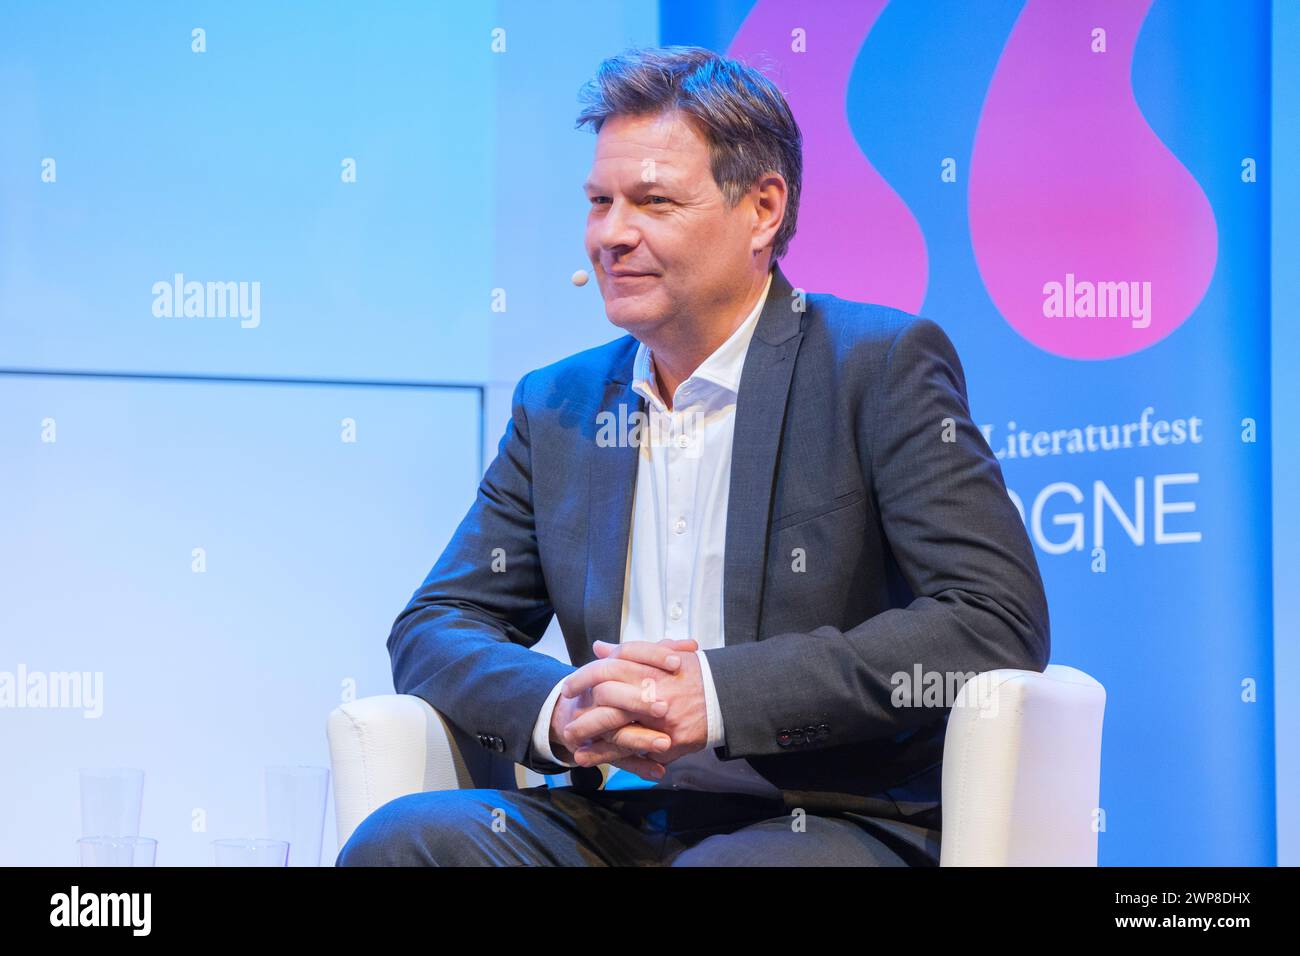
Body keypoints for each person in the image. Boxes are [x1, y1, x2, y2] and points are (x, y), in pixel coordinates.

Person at [336, 45, 1049, 867]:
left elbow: (992, 621)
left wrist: (717, 696)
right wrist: (559, 705)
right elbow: (437, 624)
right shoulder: (559, 404)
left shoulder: (877, 366)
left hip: (828, 817)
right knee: (407, 841)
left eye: (652, 201)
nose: (611, 235)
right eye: (599, 201)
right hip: (619, 819)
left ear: (763, 210)